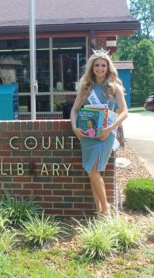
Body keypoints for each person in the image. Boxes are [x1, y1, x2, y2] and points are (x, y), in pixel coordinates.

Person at [70, 48, 128, 217]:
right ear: (92, 67)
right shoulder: (86, 87)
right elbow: (74, 110)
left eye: (103, 65)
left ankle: (106, 209)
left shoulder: (114, 87)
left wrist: (110, 129)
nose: (100, 68)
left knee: (94, 172)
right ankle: (99, 212)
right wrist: (74, 127)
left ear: (108, 67)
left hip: (105, 134)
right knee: (92, 173)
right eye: (97, 65)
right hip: (87, 135)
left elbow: (124, 112)